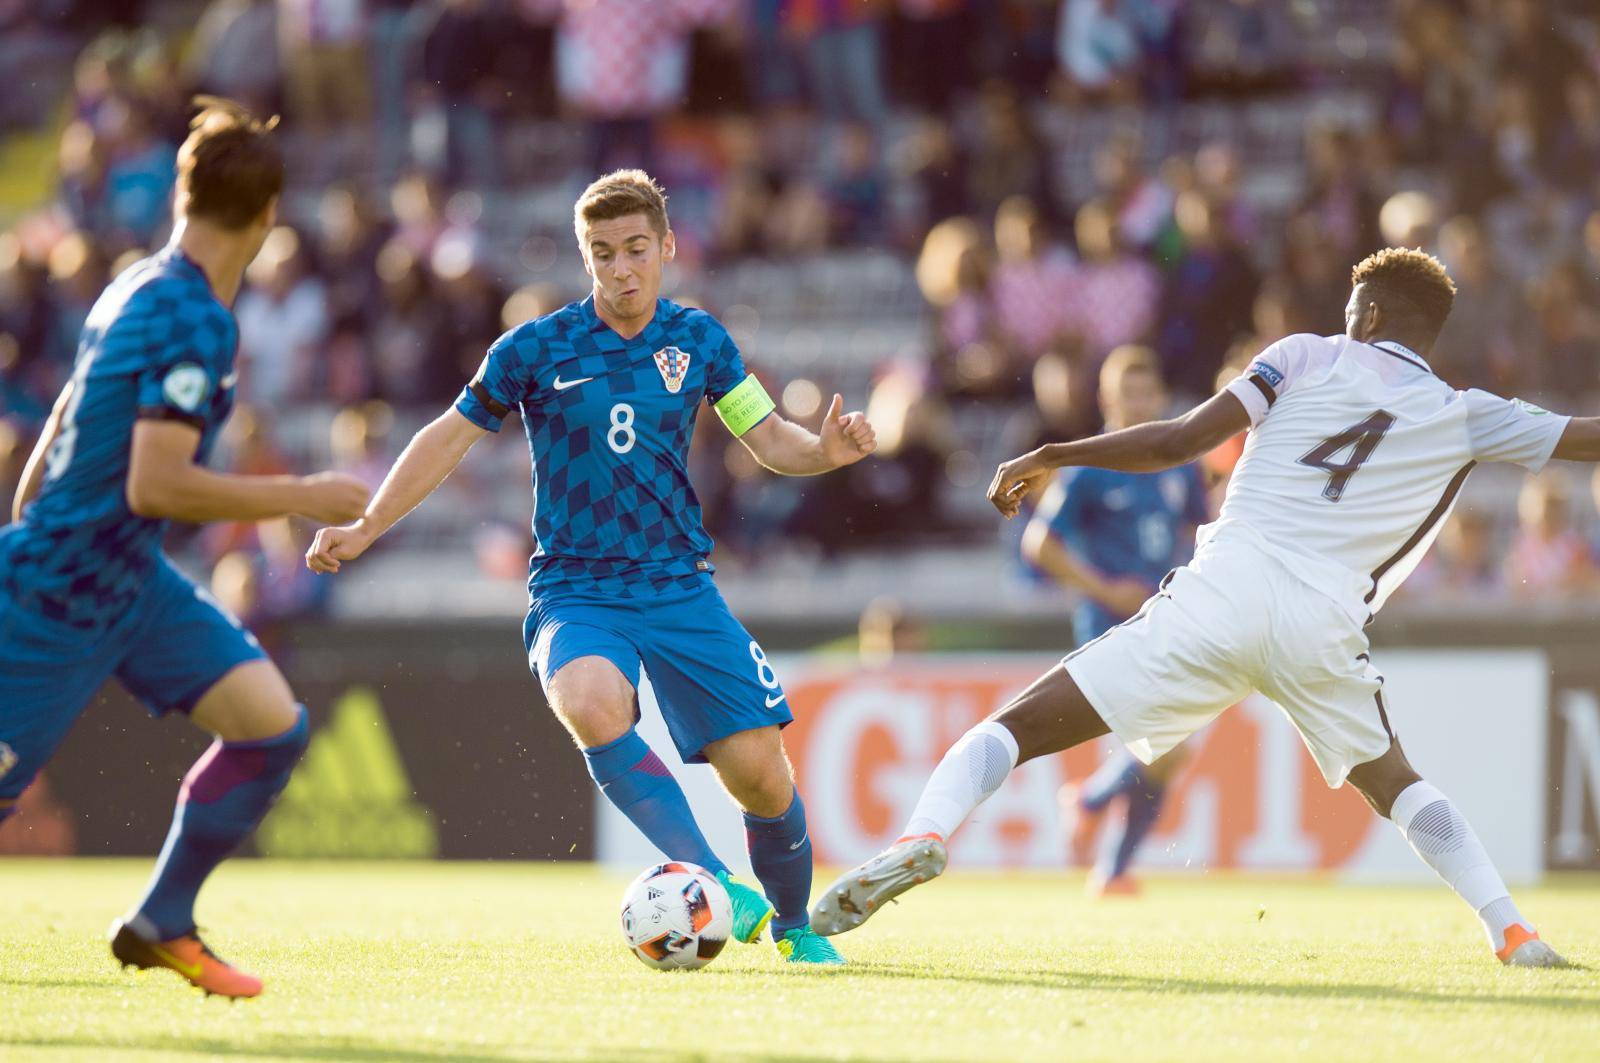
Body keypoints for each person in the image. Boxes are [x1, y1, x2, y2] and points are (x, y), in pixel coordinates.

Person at [813, 247, 1590, 968]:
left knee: (1011, 728)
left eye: (1352, 309)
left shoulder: (1302, 354)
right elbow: (1583, 437)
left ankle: (923, 834)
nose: (1344, 320)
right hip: (1322, 624)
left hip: (1223, 590)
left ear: (1372, 316)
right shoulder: (1464, 411)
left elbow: (1178, 441)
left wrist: (1055, 452)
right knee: (1398, 784)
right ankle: (1510, 929)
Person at [305, 170, 877, 965]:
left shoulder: (700, 340)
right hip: (576, 587)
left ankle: (795, 924)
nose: (621, 269)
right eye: (602, 254)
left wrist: (824, 451)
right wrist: (369, 522)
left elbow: (767, 436)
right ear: (585, 257)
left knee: (763, 780)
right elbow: (448, 434)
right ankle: (709, 877)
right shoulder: (535, 347)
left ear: (667, 248)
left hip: (679, 585)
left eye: (636, 250)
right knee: (587, 697)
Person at [0, 99, 371, 998]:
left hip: (125, 579)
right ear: (270, 211)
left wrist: (33, 522)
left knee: (271, 726)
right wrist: (304, 493)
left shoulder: (133, 284)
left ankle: (163, 920)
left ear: (181, 193)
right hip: (60, 592)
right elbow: (154, 485)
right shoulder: (193, 319)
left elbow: (56, 430)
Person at [1022, 346, 1206, 896]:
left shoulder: (1180, 463)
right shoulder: (1089, 467)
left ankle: (1100, 831)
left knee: (1169, 751)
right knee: (1171, 745)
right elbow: (1039, 545)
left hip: (1164, 623)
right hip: (1106, 626)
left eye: (1147, 392)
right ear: (1107, 399)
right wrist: (1104, 588)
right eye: (1128, 393)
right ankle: (1107, 847)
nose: (1140, 402)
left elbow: (1203, 531)